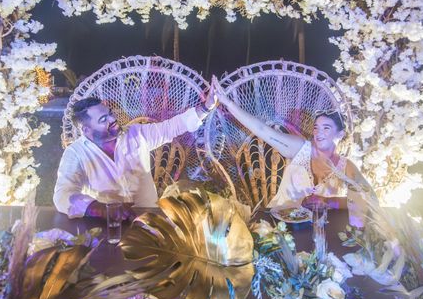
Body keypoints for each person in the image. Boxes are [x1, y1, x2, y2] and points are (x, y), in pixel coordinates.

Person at [211, 76, 374, 227]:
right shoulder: (301, 148)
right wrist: (227, 102)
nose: (319, 133)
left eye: (326, 128)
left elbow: (367, 199)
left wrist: (329, 202)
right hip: (280, 227)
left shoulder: (345, 166)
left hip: (320, 228)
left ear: (340, 134)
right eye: (316, 128)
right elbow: (263, 130)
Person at [54, 88, 216, 219]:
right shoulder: (76, 153)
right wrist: (97, 209)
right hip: (108, 225)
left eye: (110, 113)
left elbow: (171, 127)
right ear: (86, 130)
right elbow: (63, 194)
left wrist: (205, 107)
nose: (112, 119)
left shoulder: (136, 134)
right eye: (103, 120)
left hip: (149, 219)